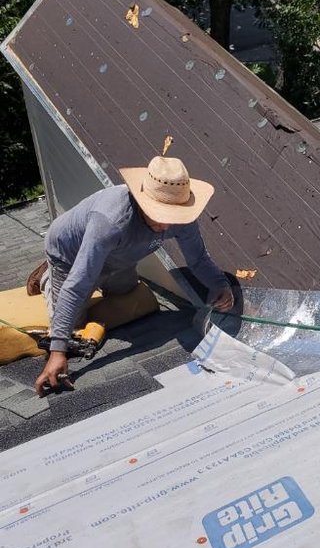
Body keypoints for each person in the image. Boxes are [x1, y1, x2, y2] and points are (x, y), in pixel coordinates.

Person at [32, 154, 234, 395]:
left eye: (173, 216)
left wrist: (219, 285)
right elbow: (77, 284)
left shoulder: (181, 214)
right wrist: (57, 352)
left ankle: (103, 274)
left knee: (127, 295)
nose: (168, 225)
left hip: (119, 256)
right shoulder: (110, 222)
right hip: (69, 256)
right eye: (161, 215)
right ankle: (47, 276)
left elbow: (198, 259)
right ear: (142, 201)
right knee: (74, 325)